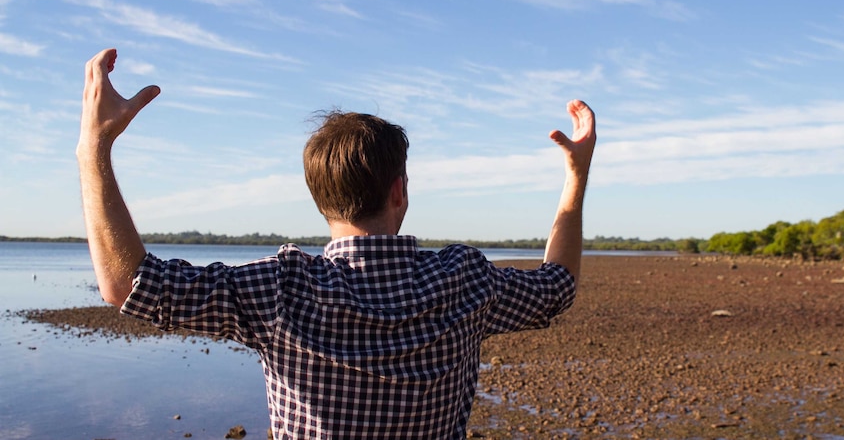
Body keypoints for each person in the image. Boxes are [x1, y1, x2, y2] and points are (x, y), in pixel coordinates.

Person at [78, 48, 596, 439]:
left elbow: (127, 283)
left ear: (320, 199)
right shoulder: (464, 281)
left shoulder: (278, 290)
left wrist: (93, 149)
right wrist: (576, 175)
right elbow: (558, 287)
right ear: (399, 191)